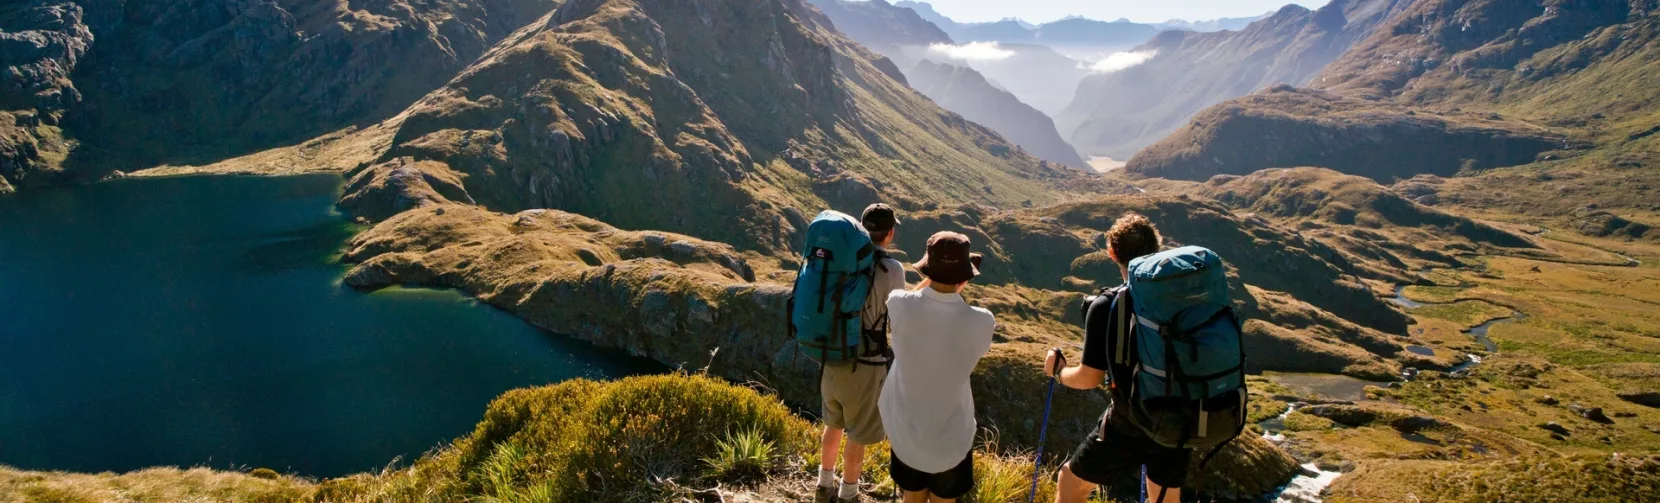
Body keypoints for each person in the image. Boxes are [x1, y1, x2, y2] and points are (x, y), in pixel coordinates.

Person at [1042, 213, 1183, 503]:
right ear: (1158, 248)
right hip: (1182, 416)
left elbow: (1088, 378)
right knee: (1165, 496)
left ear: (1111, 253)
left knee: (1070, 483)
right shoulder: (1180, 298)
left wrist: (1058, 373)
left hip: (1131, 421)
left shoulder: (1107, 305)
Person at [878, 231, 994, 503]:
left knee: (912, 495)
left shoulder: (898, 303)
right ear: (965, 277)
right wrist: (953, 282)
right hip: (952, 438)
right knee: (944, 499)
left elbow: (913, 299)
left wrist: (938, 280)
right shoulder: (981, 321)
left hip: (906, 432)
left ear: (927, 269)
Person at [818, 203, 907, 502]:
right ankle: (849, 494)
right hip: (866, 365)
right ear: (890, 233)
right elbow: (896, 319)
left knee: (833, 424)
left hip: (831, 356)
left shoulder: (842, 258)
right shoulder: (892, 269)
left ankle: (823, 485)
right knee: (857, 433)